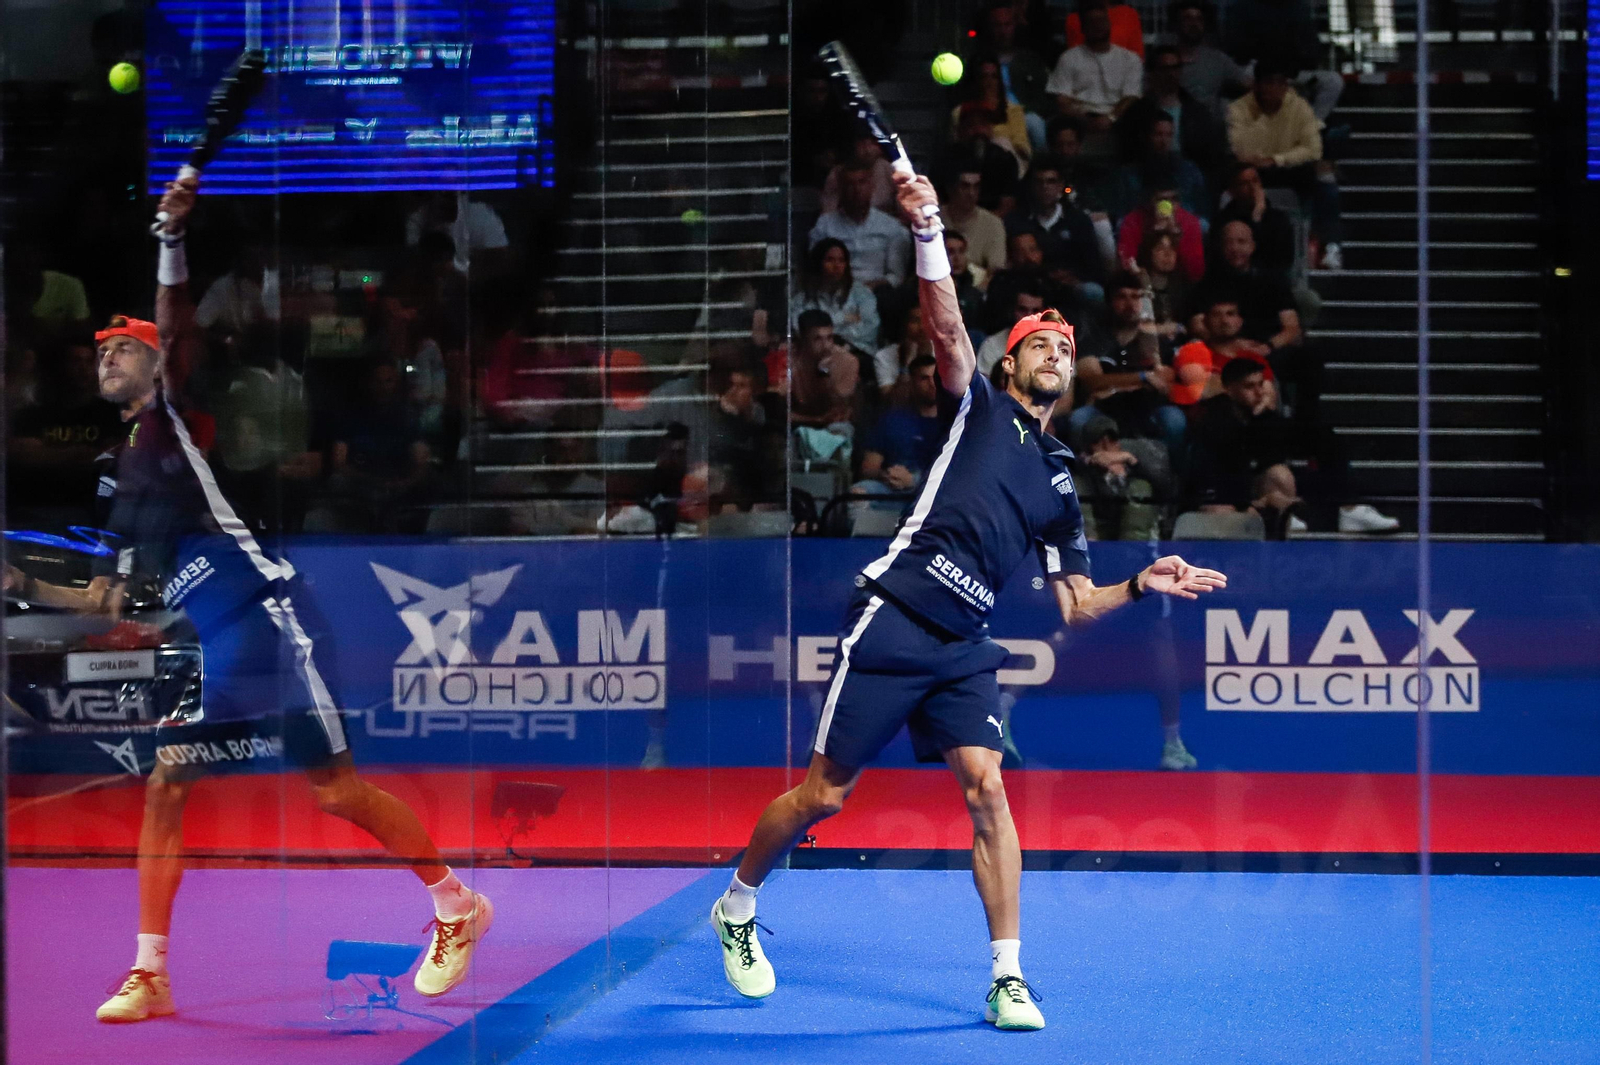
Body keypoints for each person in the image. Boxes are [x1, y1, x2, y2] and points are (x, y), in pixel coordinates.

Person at [710, 167, 1227, 1030]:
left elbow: (1074, 606)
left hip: (964, 645)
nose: (1057, 353)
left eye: (1066, 347)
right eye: (1041, 343)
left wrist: (1140, 583)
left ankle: (1007, 976)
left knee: (988, 789)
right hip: (897, 616)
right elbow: (947, 325)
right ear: (1010, 358)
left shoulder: (1062, 480)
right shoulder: (977, 409)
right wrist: (925, 229)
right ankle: (735, 904)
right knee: (824, 797)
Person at [9, 175, 492, 1025]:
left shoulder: (168, 423)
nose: (107, 357)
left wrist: (171, 237)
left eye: (122, 347)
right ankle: (149, 972)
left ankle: (457, 905)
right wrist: (22, 584)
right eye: (99, 352)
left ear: (158, 362)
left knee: (337, 792)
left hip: (274, 621)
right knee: (167, 782)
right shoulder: (122, 478)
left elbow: (177, 320)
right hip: (219, 648)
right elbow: (109, 594)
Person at [1187, 358, 1401, 534]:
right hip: (1229, 495)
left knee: (1320, 436)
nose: (1259, 392)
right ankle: (1280, 517)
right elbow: (1217, 471)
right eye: (1249, 387)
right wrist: (1250, 503)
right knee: (1277, 475)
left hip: (1260, 488)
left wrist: (1266, 420)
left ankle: (1349, 507)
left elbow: (1276, 452)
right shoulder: (1215, 421)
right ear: (1229, 389)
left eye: (1261, 384)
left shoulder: (1264, 418)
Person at [1227, 61, 1343, 268]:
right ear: (1257, 85)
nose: (1274, 89)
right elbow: (1240, 149)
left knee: (1323, 177)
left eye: (1280, 83)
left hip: (1287, 170)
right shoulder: (1239, 109)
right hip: (1253, 173)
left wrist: (1277, 159)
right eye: (1268, 83)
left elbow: (1312, 149)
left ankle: (1322, 243)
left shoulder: (1299, 108)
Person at [1066, 272, 1184, 462]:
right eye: (1122, 297)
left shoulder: (1155, 341)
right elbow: (1092, 382)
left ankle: (1174, 486)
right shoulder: (1093, 340)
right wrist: (1143, 378)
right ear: (1109, 302)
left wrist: (1113, 387)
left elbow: (1165, 380)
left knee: (1174, 419)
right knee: (1078, 419)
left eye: (1136, 297)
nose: (1130, 304)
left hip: (1146, 408)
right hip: (1103, 410)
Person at [1005, 156, 1106, 306]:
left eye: (1051, 181)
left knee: (1093, 291)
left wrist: (1074, 277)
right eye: (1039, 182)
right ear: (1031, 185)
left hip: (1072, 284)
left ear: (1061, 186)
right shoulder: (1016, 220)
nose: (1045, 187)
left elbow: (1093, 263)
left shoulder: (1078, 220)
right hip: (1029, 285)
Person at [1117, 46, 1226, 180]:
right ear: (1152, 72)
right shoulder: (1137, 113)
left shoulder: (1198, 113)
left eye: (1175, 68)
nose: (1171, 74)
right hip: (1146, 179)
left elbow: (1209, 157)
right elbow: (1128, 155)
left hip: (1187, 180)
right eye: (1165, 69)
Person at [1045, 0, 1143, 147]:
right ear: (1083, 28)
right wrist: (1086, 120)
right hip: (1080, 118)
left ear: (1109, 23)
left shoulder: (1130, 59)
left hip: (1118, 117)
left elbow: (1131, 96)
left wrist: (1110, 118)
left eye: (1101, 20)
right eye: (1092, 22)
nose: (1098, 25)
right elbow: (1062, 99)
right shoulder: (1069, 58)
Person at [809, 162, 913, 292]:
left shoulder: (892, 227)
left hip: (878, 292)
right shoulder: (824, 226)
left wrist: (867, 288)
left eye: (861, 182)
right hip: (836, 291)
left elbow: (896, 276)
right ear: (841, 189)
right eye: (850, 184)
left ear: (871, 186)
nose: (857, 189)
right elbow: (815, 269)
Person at [965, 1, 1053, 149]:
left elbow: (1043, 98)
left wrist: (1022, 112)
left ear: (1015, 26)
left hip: (1024, 114)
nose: (1003, 31)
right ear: (989, 28)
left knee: (1035, 123)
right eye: (997, 26)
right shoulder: (979, 60)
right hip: (988, 114)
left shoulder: (1030, 60)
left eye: (1007, 25)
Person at [1107, 114, 1210, 222]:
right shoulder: (1129, 174)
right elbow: (1121, 212)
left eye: (1169, 135)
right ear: (1147, 136)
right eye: (1158, 134)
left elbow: (1202, 208)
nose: (1164, 141)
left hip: (1184, 224)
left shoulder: (1188, 170)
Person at [791, 238, 882, 356]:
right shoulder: (803, 298)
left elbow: (871, 329)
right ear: (818, 263)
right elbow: (801, 330)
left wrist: (835, 337)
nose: (837, 266)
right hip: (817, 355)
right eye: (830, 260)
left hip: (857, 351)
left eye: (841, 260)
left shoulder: (861, 293)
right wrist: (843, 318)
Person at [1116, 171, 1206, 283]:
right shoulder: (1133, 221)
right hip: (1143, 283)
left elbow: (1196, 272)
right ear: (1150, 201)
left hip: (1180, 285)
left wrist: (1176, 234)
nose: (1170, 205)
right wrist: (1153, 234)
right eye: (1162, 200)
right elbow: (1126, 265)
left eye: (1174, 199)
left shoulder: (1190, 222)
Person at [1171, 0, 1252, 123]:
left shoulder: (1217, 59)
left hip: (1210, 128)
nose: (1194, 23)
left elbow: (1249, 84)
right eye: (1188, 18)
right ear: (1177, 24)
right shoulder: (1166, 60)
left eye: (1199, 19)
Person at [1214, 162, 1297, 275]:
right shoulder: (1222, 221)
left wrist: (1257, 217)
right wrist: (1255, 222)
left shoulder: (1278, 220)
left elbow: (1282, 261)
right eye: (1244, 183)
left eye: (1255, 181)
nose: (1253, 188)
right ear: (1232, 191)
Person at [949, 61, 1033, 168]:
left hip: (1007, 163)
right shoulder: (959, 111)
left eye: (994, 76)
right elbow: (955, 144)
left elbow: (1023, 147)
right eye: (984, 76)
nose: (989, 81)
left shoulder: (1013, 110)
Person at [940, 167, 1009, 279]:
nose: (971, 193)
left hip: (977, 290)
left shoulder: (993, 224)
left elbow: (996, 272)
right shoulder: (933, 219)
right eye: (965, 186)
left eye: (976, 187)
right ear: (951, 189)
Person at [978, 282, 1047, 376]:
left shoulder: (1058, 346)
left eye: (1035, 311)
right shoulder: (992, 346)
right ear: (1012, 311)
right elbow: (983, 388)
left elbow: (1067, 389)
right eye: (1022, 310)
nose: (1029, 316)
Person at [820, 134, 898, 215]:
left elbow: (902, 200)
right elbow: (828, 209)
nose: (867, 150)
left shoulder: (887, 168)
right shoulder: (837, 173)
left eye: (871, 144)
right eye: (862, 144)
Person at [874, 303, 935, 395]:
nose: (922, 327)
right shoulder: (883, 357)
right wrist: (905, 365)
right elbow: (891, 404)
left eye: (927, 320)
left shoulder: (946, 352)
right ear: (904, 324)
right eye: (915, 321)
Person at [1064, 0, 1146, 56]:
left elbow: (1137, 56)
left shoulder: (1128, 15)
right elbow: (1074, 59)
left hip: (1122, 76)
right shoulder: (1073, 20)